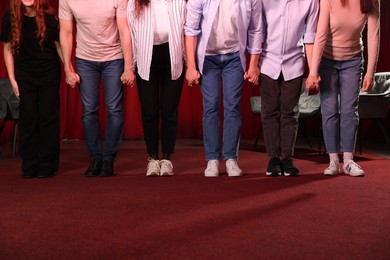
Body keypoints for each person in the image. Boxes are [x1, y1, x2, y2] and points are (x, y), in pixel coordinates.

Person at [184, 0, 262, 177]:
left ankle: (231, 159)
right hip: (208, 57)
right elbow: (191, 29)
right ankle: (212, 160)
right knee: (211, 105)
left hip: (234, 57)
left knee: (232, 106)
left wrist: (254, 64)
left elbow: (256, 29)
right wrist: (190, 66)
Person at [59, 0, 135, 177]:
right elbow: (66, 32)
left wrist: (128, 67)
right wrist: (67, 68)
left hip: (113, 58)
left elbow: (124, 30)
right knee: (89, 111)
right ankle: (95, 158)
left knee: (115, 110)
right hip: (85, 59)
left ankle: (108, 159)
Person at [306, 0, 380, 177]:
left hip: (353, 61)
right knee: (329, 110)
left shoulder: (371, 2)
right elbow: (321, 35)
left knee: (349, 110)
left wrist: (370, 73)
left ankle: (348, 161)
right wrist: (313, 72)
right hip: (327, 61)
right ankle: (333, 161)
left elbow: (373, 35)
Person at [0, 0, 63, 178]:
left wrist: (68, 68)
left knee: (48, 116)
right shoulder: (10, 18)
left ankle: (47, 164)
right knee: (28, 117)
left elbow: (59, 46)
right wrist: (12, 79)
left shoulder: (50, 17)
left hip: (49, 71)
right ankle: (30, 163)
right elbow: (7, 49)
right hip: (24, 74)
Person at [259, 0, 319, 177]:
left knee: (290, 112)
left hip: (294, 62)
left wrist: (312, 72)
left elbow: (310, 36)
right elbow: (257, 30)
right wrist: (253, 63)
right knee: (269, 112)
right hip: (268, 61)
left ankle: (287, 157)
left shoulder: (310, 2)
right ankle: (273, 158)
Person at [127, 0, 186, 176]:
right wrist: (131, 66)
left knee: (169, 110)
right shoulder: (135, 3)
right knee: (149, 110)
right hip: (146, 58)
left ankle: (167, 158)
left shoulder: (179, 2)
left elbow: (186, 30)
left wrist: (189, 63)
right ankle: (152, 158)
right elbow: (130, 33)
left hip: (172, 57)